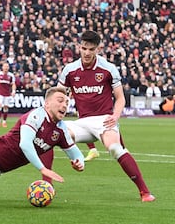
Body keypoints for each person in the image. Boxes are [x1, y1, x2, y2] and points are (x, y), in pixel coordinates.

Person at [58, 30, 155, 202]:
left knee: (115, 149)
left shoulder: (108, 69)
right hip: (82, 123)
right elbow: (58, 97)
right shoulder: (70, 70)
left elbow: (120, 98)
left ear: (98, 49)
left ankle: (145, 192)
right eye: (84, 48)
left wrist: (115, 116)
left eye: (91, 49)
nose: (87, 53)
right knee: (53, 132)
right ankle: (48, 182)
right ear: (79, 47)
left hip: (104, 120)